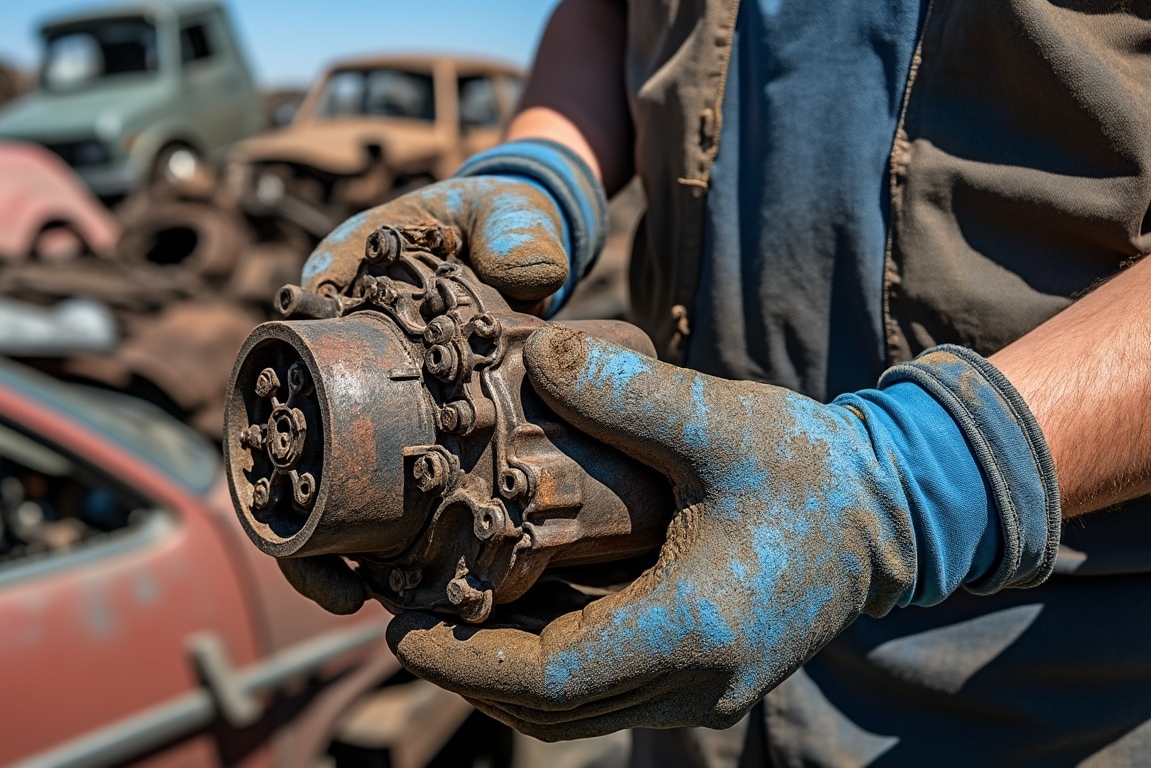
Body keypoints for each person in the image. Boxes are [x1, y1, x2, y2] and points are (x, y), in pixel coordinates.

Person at [280, 1, 1151, 763]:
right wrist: (543, 166)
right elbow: (608, 14)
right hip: (682, 650)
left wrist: (924, 478)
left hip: (1034, 687)